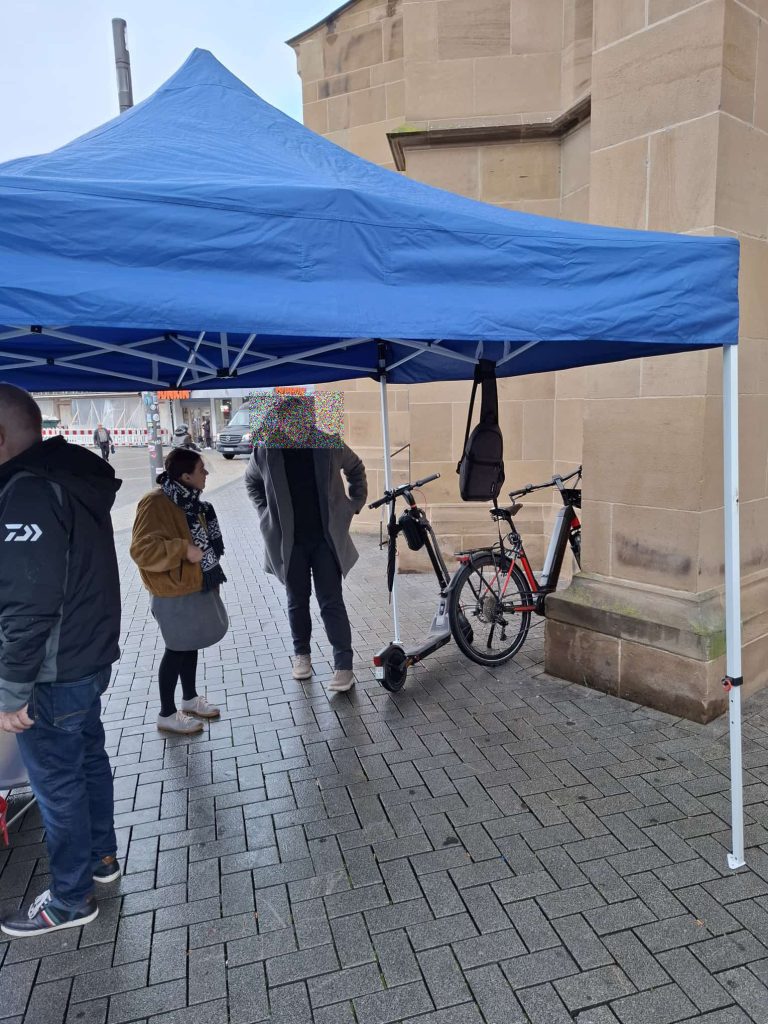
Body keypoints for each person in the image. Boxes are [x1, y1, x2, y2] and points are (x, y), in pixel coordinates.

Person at [0, 384, 122, 937]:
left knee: (58, 783)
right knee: (87, 761)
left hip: (51, 671)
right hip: (84, 659)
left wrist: (10, 690)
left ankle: (71, 899)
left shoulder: (28, 492)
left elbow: (28, 601)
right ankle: (100, 860)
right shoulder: (69, 478)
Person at [245, 396, 367, 694]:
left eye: (304, 419)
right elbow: (251, 483)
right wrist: (265, 514)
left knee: (331, 602)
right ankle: (302, 656)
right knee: (296, 601)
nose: (298, 426)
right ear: (282, 422)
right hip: (290, 543)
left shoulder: (328, 443)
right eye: (291, 420)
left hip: (325, 540)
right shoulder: (266, 450)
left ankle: (343, 666)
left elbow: (356, 467)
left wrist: (355, 502)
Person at [130, 448, 227, 735]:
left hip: (193, 585)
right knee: (176, 649)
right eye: (201, 469)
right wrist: (182, 549)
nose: (206, 473)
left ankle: (190, 699)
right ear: (185, 476)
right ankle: (166, 713)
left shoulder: (190, 501)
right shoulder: (155, 503)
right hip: (171, 591)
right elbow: (141, 549)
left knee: (190, 644)